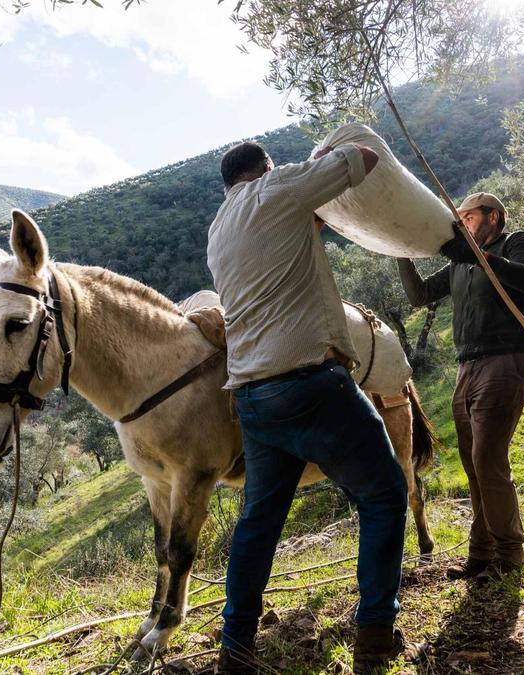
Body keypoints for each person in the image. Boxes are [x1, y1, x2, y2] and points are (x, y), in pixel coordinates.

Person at [206, 141, 411, 674]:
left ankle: (236, 647)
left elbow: (288, 243)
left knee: (259, 522)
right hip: (308, 385)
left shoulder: (220, 228)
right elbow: (362, 158)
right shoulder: (276, 188)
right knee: (386, 494)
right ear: (265, 169)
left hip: (252, 396)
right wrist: (326, 152)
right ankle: (374, 635)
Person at [396, 192, 524, 581]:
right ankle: (481, 554)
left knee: (487, 459)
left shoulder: (514, 243)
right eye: (459, 217)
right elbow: (420, 296)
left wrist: (476, 257)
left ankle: (509, 555)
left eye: (469, 216)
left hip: (506, 359)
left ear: (493, 217)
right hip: (468, 368)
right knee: (472, 462)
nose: (462, 222)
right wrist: (399, 250)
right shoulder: (461, 264)